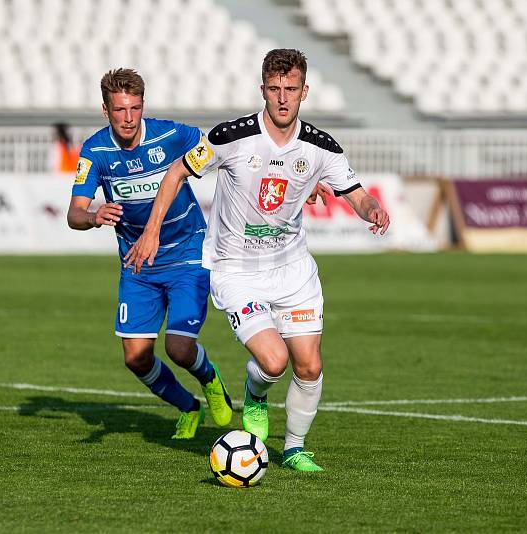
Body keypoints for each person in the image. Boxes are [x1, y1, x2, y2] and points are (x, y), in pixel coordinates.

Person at [124, 49, 390, 471]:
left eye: (291, 89)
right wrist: (152, 230)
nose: (283, 98)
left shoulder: (321, 146)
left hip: (293, 270)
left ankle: (295, 448)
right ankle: (256, 394)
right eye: (274, 89)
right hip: (237, 271)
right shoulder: (233, 137)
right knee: (273, 361)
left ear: (305, 91)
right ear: (262, 89)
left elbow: (354, 191)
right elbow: (176, 172)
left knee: (310, 364)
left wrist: (371, 208)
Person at [66, 68, 233, 439]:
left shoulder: (172, 135)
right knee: (135, 357)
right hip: (137, 263)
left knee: (178, 347)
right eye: (120, 110)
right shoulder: (95, 150)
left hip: (188, 250)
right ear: (105, 110)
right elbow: (74, 213)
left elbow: (220, 147)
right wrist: (93, 216)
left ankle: (210, 379)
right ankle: (188, 407)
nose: (128, 118)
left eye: (135, 108)